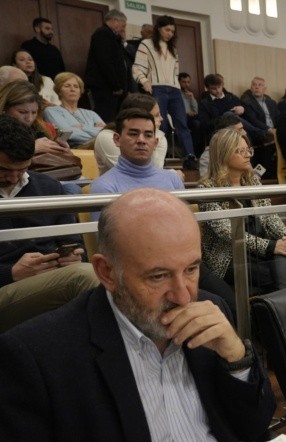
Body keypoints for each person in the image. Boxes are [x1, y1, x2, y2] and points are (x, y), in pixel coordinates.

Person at [0, 188, 275, 442]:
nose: (183, 297)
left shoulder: (211, 311)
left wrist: (237, 359)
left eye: (191, 269)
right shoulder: (36, 357)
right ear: (107, 272)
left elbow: (253, 428)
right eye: (158, 276)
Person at [0, 116, 97, 332]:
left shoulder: (48, 186)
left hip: (52, 278)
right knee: (84, 277)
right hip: (7, 285)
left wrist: (73, 257)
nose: (14, 178)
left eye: (22, 169)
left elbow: (72, 240)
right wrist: (11, 272)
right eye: (4, 170)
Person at [198, 128, 286, 293]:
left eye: (248, 150)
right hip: (230, 259)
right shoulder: (208, 189)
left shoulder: (252, 182)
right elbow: (228, 232)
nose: (248, 155)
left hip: (258, 254)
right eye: (241, 151)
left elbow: (270, 216)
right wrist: (271, 246)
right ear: (224, 154)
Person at [132, 15, 196, 169]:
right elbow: (137, 67)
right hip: (157, 88)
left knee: (182, 123)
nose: (170, 34)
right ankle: (156, 157)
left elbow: (175, 72)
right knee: (161, 124)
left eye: (173, 31)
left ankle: (190, 157)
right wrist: (144, 81)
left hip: (174, 90)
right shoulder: (146, 44)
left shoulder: (173, 49)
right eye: (167, 30)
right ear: (159, 28)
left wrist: (179, 87)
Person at [92, 93, 169, 174]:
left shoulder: (159, 138)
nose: (161, 118)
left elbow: (156, 173)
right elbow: (132, 174)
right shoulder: (106, 137)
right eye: (156, 115)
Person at [84, 10, 130, 122]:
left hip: (112, 88)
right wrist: (116, 86)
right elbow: (105, 61)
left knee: (114, 118)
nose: (123, 29)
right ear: (115, 21)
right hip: (105, 87)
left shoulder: (113, 36)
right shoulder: (102, 33)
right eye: (123, 25)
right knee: (105, 119)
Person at [43, 72, 105, 147]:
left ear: (80, 91)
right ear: (59, 91)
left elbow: (106, 133)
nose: (72, 89)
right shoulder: (51, 111)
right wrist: (95, 132)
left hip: (98, 147)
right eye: (67, 86)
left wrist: (83, 127)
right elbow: (68, 135)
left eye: (76, 86)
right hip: (74, 149)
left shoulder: (91, 113)